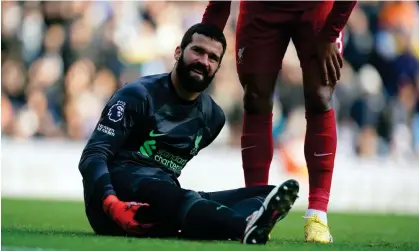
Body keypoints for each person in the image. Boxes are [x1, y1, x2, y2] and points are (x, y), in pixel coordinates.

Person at [78, 23, 300, 244]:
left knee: (265, 195)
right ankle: (244, 227)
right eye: (198, 51)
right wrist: (110, 202)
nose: (204, 62)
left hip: (166, 196)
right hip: (116, 199)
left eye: (213, 58)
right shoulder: (138, 95)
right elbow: (93, 155)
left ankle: (218, 220)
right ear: (178, 52)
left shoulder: (213, 118)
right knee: (181, 198)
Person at [201, 1, 357, 243]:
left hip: (316, 8)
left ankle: (317, 213)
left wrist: (330, 33)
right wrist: (208, 35)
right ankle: (255, 209)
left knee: (320, 96)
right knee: (255, 99)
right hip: (261, 8)